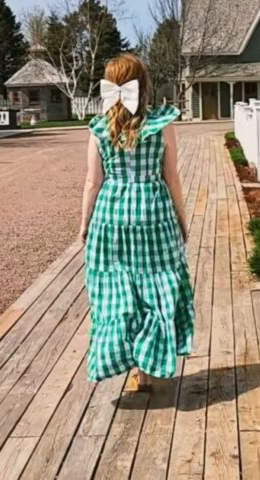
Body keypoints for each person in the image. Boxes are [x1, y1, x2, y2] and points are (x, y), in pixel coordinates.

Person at [78, 53, 193, 390]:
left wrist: (85, 223)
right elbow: (172, 178)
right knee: (155, 285)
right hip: (153, 214)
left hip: (111, 217)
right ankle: (148, 365)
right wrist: (181, 219)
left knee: (117, 290)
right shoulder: (162, 124)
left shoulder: (99, 129)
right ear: (143, 87)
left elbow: (92, 182)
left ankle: (133, 365)